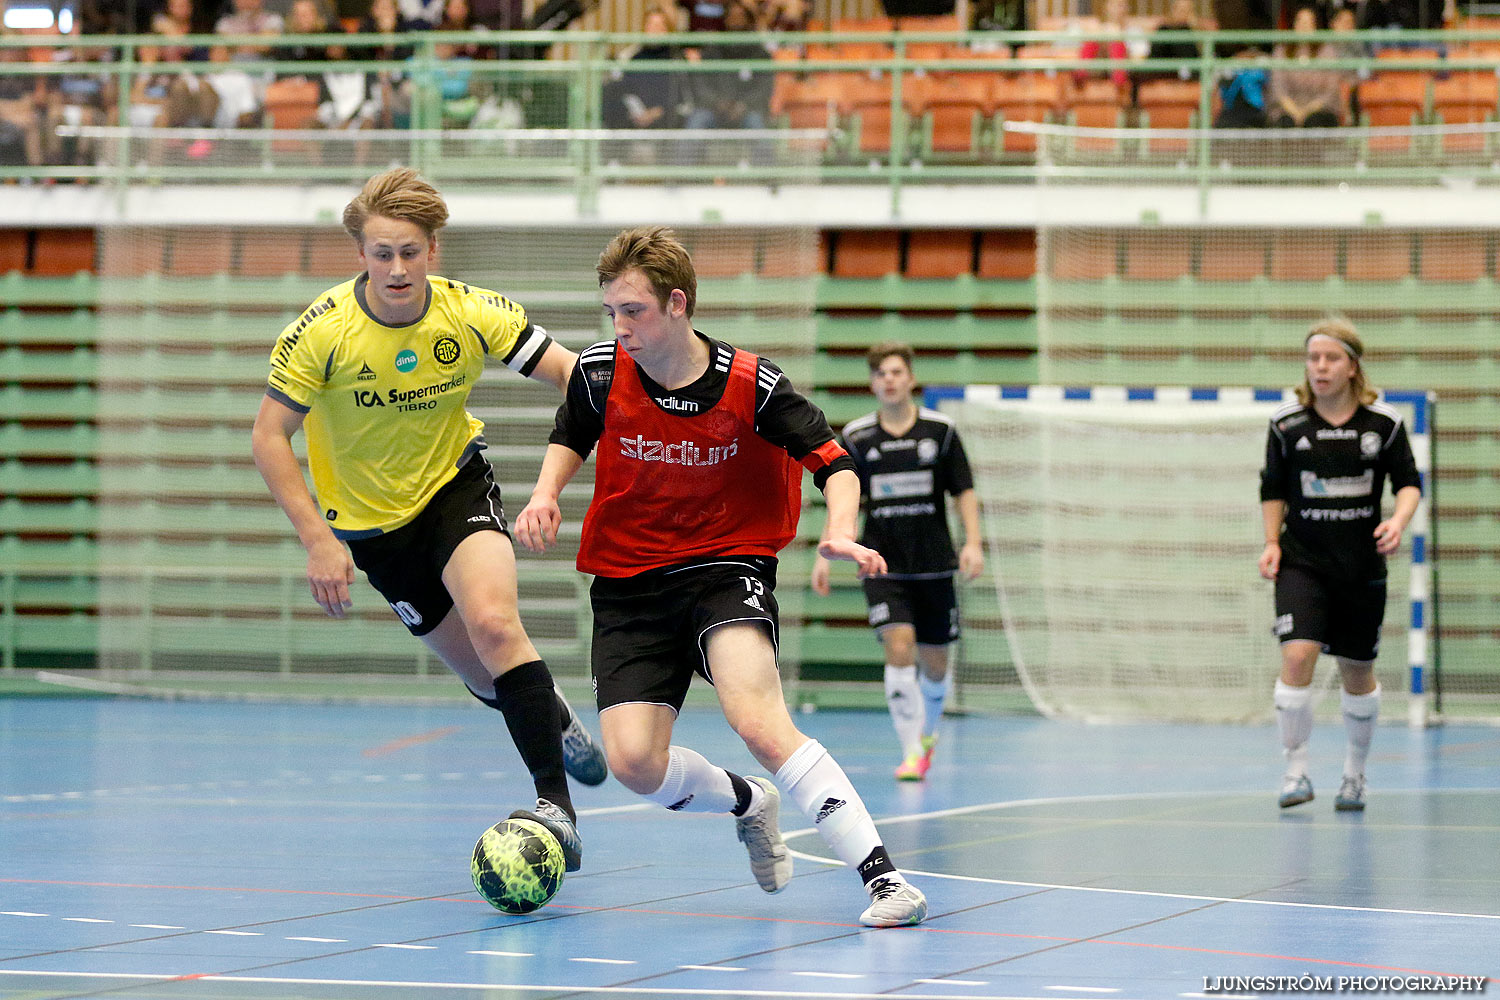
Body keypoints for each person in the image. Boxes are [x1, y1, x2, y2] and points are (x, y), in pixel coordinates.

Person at [515, 227, 929, 928]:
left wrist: (839, 531)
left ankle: (884, 879)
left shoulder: (751, 384)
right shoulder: (598, 372)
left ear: (677, 304)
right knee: (636, 767)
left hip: (723, 567)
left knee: (759, 720)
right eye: (612, 311)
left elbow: (836, 462)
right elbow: (572, 433)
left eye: (634, 311)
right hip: (628, 584)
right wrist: (545, 494)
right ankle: (749, 802)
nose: (621, 326)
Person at [250, 167, 608, 871]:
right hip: (372, 529)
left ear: (434, 250)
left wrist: (581, 460)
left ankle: (553, 808)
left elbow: (573, 373)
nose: (396, 268)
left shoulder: (470, 311)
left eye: (410, 251)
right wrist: (319, 542)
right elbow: (268, 437)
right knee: (480, 674)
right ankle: (554, 715)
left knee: (498, 625)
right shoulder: (322, 333)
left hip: (454, 486)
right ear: (361, 256)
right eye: (382, 253)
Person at [1258, 317, 1421, 812]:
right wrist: (1271, 542)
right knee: (1296, 656)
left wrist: (1399, 520)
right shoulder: (1287, 425)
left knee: (1357, 671)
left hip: (1360, 567)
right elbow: (1273, 489)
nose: (1320, 367)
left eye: (1331, 358)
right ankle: (1296, 771)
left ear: (1352, 366)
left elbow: (1409, 483)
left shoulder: (1384, 426)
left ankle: (1354, 775)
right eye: (1313, 358)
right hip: (1302, 562)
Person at [810, 343, 983, 781]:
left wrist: (973, 543)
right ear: (872, 384)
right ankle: (911, 752)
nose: (888, 379)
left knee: (936, 665)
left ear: (910, 379)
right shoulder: (858, 438)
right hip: (881, 565)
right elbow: (844, 496)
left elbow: (962, 490)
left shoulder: (940, 432)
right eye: (881, 373)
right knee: (898, 646)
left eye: (896, 372)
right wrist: (829, 549)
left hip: (935, 564)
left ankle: (927, 733)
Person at [1267, 6, 1345, 127]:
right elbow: (1278, 88)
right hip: (1286, 112)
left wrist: (1306, 112)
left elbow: (1331, 89)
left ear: (1316, 26)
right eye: (1300, 21)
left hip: (1322, 110)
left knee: (1315, 121)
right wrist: (1295, 112)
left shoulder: (1328, 51)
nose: (1304, 26)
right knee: (1285, 123)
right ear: (1293, 25)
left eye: (1309, 22)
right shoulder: (1281, 51)